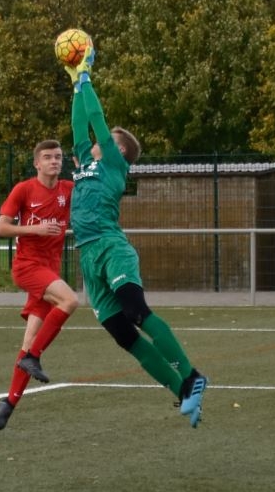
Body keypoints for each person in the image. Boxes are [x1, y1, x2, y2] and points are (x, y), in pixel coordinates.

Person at [63, 39, 209, 426]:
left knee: (137, 313)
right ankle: (180, 390)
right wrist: (74, 84)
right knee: (122, 333)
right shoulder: (85, 165)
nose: (95, 141)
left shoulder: (113, 163)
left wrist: (87, 78)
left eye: (105, 138)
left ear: (119, 150)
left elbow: (94, 117)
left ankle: (193, 376)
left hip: (112, 248)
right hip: (89, 256)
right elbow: (80, 124)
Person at [0, 139, 78, 429]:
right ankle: (33, 357)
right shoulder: (24, 189)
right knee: (70, 301)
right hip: (28, 267)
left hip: (49, 270)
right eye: (48, 157)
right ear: (37, 163)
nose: (54, 161)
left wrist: (90, 170)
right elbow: (1, 227)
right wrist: (36, 229)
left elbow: (94, 195)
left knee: (29, 339)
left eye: (58, 156)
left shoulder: (68, 189)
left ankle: (9, 402)